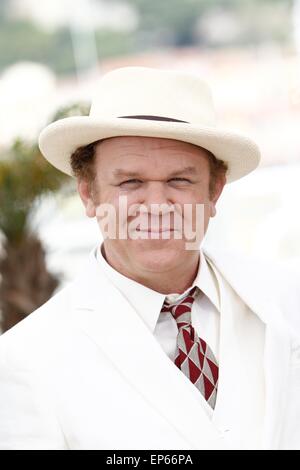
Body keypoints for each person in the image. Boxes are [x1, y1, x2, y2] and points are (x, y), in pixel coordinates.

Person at [0, 66, 299, 450]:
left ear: (215, 192)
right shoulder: (25, 359)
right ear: (88, 194)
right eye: (130, 182)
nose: (156, 206)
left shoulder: (288, 298)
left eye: (180, 180)